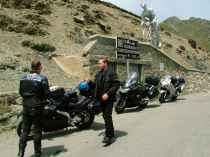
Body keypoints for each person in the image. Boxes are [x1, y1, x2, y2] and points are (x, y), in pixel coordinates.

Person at [18, 60, 50, 157]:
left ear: (31, 67)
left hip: (26, 106)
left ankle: (20, 152)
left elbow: (21, 92)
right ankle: (37, 153)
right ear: (39, 67)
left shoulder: (23, 78)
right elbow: (47, 94)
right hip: (37, 107)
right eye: (41, 66)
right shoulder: (42, 78)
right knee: (37, 130)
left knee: (25, 130)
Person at [94, 57, 120, 145]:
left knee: (107, 116)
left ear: (105, 63)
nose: (98, 65)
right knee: (105, 117)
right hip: (100, 99)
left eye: (100, 63)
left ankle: (109, 136)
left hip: (109, 99)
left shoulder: (111, 73)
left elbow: (116, 85)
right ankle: (110, 133)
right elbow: (96, 85)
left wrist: (108, 94)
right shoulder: (98, 74)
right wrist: (89, 82)